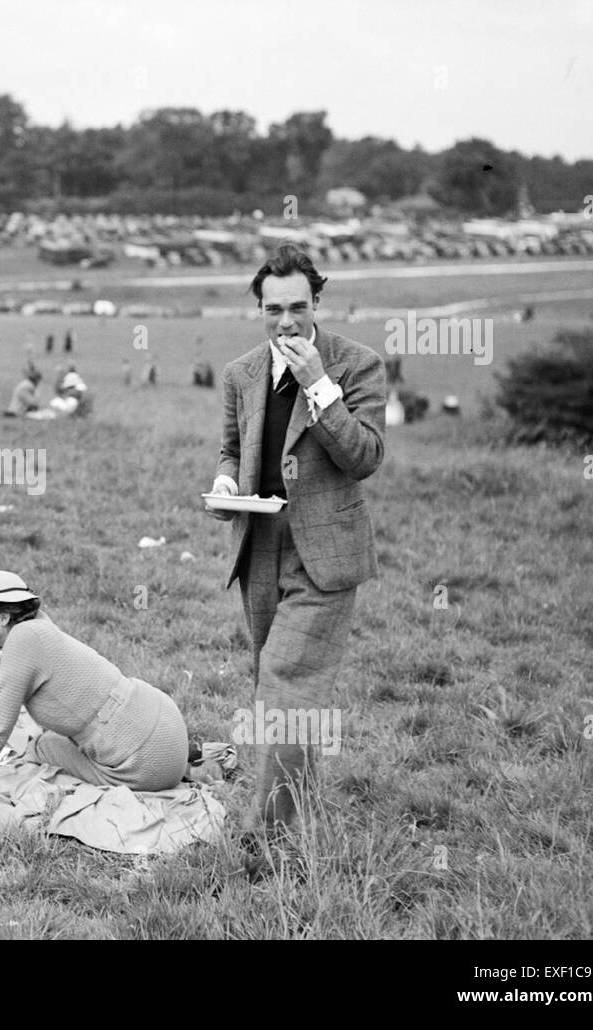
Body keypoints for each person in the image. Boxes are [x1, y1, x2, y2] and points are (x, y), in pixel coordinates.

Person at [207, 244, 385, 832]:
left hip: (324, 556)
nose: (287, 321)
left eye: (298, 307)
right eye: (273, 309)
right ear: (259, 308)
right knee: (285, 696)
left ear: (318, 303)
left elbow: (363, 457)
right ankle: (299, 819)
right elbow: (233, 449)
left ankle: (266, 838)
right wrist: (224, 482)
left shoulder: (357, 365)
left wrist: (319, 386)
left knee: (286, 686)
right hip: (259, 548)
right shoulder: (240, 373)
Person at [0, 572, 190, 790]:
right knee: (46, 742)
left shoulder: (24, 639)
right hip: (164, 726)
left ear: (4, 617)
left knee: (40, 747)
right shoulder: (33, 631)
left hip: (146, 764)